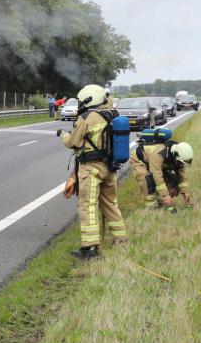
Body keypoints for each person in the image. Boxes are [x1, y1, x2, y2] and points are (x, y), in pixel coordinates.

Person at [57, 85, 127, 259]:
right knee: (111, 204)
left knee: (88, 206)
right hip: (110, 168)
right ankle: (121, 239)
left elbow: (74, 142)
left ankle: (89, 249)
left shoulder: (86, 117)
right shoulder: (113, 115)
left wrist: (62, 134)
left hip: (92, 169)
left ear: (88, 99)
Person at [129, 141, 193, 211]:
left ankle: (161, 202)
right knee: (148, 182)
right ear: (175, 155)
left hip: (156, 164)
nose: (181, 163)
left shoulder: (179, 157)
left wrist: (185, 192)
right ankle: (152, 209)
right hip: (139, 160)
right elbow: (156, 175)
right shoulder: (160, 154)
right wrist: (165, 195)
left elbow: (182, 176)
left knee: (171, 184)